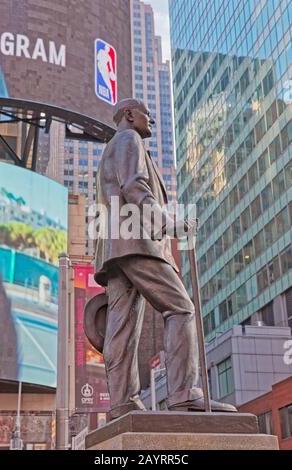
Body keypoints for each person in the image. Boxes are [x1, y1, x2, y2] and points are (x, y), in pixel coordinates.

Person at [93, 98, 236, 419]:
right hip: (137, 241)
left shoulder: (110, 149)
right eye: (147, 113)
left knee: (121, 326)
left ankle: (122, 403)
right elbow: (135, 185)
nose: (152, 121)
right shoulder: (128, 140)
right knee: (181, 308)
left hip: (117, 248)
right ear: (130, 115)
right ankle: (184, 395)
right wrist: (169, 224)